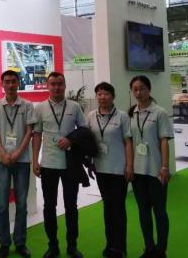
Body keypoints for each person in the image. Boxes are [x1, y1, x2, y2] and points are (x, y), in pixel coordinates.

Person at [32, 72, 87, 258]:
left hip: (70, 164)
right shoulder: (40, 108)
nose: (56, 87)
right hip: (48, 164)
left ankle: (72, 245)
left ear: (64, 85)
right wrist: (35, 160)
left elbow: (84, 129)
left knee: (71, 206)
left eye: (60, 84)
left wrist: (71, 140)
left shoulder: (74, 106)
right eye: (53, 84)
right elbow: (37, 135)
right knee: (49, 206)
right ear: (47, 86)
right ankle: (53, 245)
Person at [0, 70, 34, 258]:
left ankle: (20, 242)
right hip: (2, 161)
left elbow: (29, 131)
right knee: (2, 205)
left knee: (22, 204)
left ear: (18, 83)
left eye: (13, 81)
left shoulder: (27, 105)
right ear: (2, 84)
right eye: (6, 82)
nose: (10, 85)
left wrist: (17, 153)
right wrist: (2, 153)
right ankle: (4, 243)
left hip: (22, 161)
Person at [85, 82, 133, 258]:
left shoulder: (122, 117)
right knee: (107, 207)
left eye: (106, 94)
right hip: (100, 168)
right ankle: (110, 244)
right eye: (99, 94)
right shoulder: (91, 116)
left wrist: (129, 165)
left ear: (112, 96)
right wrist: (89, 162)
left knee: (118, 208)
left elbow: (128, 142)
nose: (102, 97)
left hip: (118, 168)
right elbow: (89, 141)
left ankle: (120, 247)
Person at [128, 76, 173, 258]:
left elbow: (164, 141)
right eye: (135, 89)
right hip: (138, 171)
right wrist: (129, 166)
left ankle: (161, 250)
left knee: (160, 211)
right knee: (143, 211)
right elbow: (129, 142)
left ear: (149, 90)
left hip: (156, 171)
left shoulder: (159, 113)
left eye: (142, 89)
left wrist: (165, 167)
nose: (139, 92)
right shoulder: (131, 113)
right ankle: (149, 247)